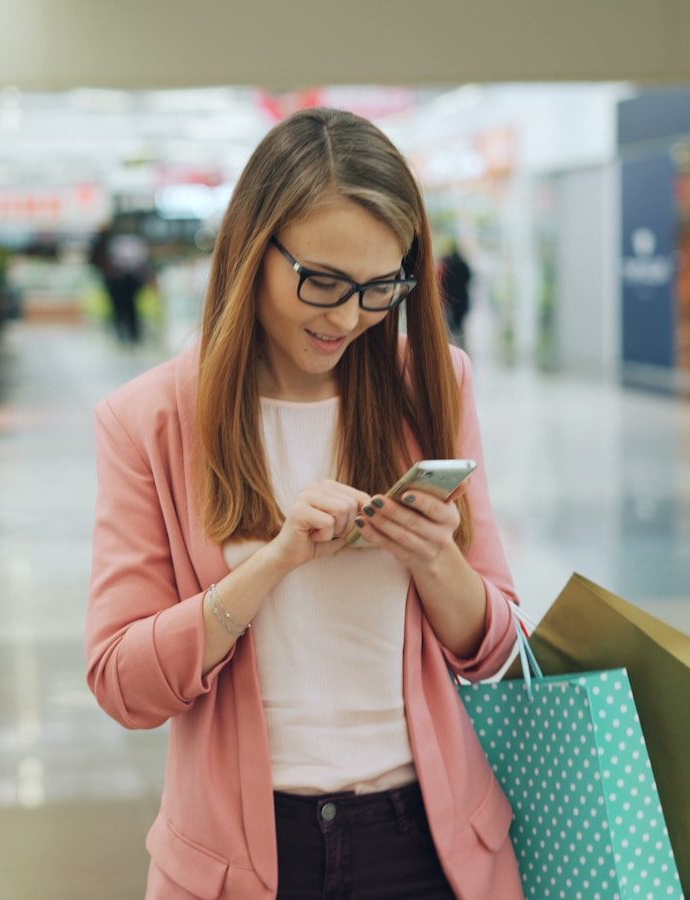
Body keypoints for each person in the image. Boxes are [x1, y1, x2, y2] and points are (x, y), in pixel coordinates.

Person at [86, 108, 523, 899]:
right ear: (253, 249)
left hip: (428, 842)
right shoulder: (150, 420)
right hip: (245, 857)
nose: (348, 317)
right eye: (321, 282)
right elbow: (125, 686)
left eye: (380, 288)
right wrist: (273, 563)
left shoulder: (431, 387)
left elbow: (496, 648)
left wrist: (435, 557)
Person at [438, 240, 472, 346]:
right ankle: (460, 344)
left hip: (450, 298)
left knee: (449, 324)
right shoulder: (464, 265)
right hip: (462, 298)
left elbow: (442, 281)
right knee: (459, 324)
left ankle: (450, 344)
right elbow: (469, 279)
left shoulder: (448, 266)